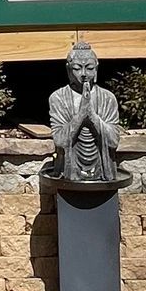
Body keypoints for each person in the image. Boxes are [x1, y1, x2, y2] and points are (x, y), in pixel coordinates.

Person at [49, 40, 120, 185]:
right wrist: (81, 114)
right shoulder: (58, 98)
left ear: (96, 69)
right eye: (77, 68)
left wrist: (92, 116)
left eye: (89, 68)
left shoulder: (108, 98)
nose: (83, 74)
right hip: (69, 168)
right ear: (69, 70)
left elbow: (113, 141)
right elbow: (60, 141)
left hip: (101, 167)